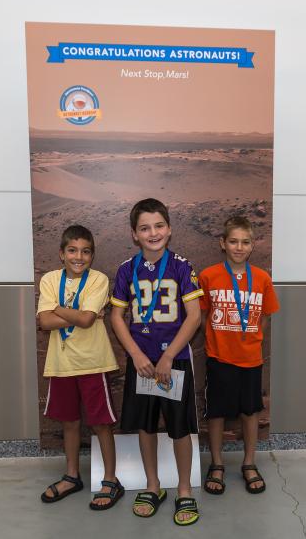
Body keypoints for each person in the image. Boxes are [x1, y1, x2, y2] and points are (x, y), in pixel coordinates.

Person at [110, 198, 203, 526]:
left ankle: (182, 488)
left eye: (159, 225)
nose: (153, 233)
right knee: (147, 425)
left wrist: (167, 356)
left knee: (178, 428)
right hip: (142, 364)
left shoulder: (181, 265)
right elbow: (117, 316)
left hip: (173, 361)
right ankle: (153, 485)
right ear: (134, 234)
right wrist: (136, 354)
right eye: (145, 228)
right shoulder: (126, 269)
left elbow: (194, 316)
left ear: (170, 228)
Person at [37, 224, 124, 510]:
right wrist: (79, 314)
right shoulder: (50, 279)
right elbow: (45, 322)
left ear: (92, 256)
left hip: (92, 363)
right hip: (61, 364)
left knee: (101, 423)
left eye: (85, 251)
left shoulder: (97, 279)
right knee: (69, 422)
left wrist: (58, 309)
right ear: (61, 254)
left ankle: (111, 480)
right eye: (72, 250)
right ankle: (72, 476)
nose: (79, 256)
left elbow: (87, 321)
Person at [199, 216, 279, 495]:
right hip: (219, 357)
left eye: (245, 242)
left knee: (250, 410)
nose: (239, 247)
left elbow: (265, 316)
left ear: (253, 245)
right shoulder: (209, 276)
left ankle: (249, 462)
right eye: (233, 241)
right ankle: (217, 463)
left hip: (250, 359)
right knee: (217, 411)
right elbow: (202, 314)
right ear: (223, 243)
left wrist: (251, 339)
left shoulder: (262, 278)